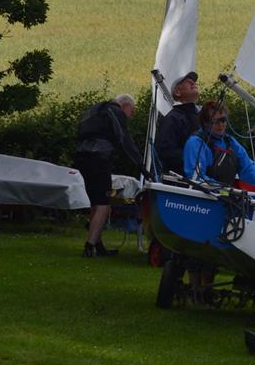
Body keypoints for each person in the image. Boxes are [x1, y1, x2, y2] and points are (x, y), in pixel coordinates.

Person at [73, 93, 143, 258]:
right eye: (131, 112)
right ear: (125, 106)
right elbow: (125, 140)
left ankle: (98, 244)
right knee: (104, 206)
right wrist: (140, 164)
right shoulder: (116, 112)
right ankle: (89, 247)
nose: (130, 117)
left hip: (82, 157)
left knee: (95, 203)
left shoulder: (97, 110)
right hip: (99, 159)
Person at [183, 101, 255, 199]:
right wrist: (225, 191)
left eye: (223, 120)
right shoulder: (196, 142)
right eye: (215, 121)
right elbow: (196, 177)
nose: (220, 125)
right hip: (201, 198)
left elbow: (247, 166)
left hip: (223, 195)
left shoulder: (230, 142)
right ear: (205, 122)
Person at [155, 72, 201, 175]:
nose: (193, 83)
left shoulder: (202, 117)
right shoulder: (172, 118)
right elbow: (165, 151)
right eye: (188, 82)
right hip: (180, 181)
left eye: (194, 82)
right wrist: (193, 158)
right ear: (178, 92)